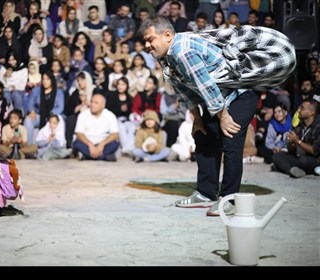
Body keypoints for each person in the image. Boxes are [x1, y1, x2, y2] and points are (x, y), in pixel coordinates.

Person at [139, 16, 296, 216]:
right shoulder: (165, 55)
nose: (147, 45)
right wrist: (197, 119)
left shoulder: (182, 50)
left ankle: (229, 199)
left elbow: (206, 85)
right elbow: (183, 91)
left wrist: (223, 117)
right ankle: (206, 193)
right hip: (220, 97)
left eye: (150, 39)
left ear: (167, 35)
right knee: (203, 135)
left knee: (230, 138)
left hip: (240, 94)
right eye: (146, 41)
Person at [272, 100, 320, 178]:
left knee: (303, 161)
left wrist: (297, 141)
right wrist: (292, 143)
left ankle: (283, 168)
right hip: (299, 157)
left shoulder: (318, 126)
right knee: (277, 156)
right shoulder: (300, 126)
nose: (299, 110)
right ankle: (291, 170)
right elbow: (291, 151)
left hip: (313, 160)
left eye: (302, 108)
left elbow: (314, 151)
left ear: (311, 112)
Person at [73, 93, 119, 161]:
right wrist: (90, 145)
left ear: (103, 105)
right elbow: (79, 134)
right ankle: (105, 157)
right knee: (76, 144)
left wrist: (102, 145)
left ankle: (86, 156)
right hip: (87, 143)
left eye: (96, 103)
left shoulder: (110, 116)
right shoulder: (83, 115)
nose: (92, 105)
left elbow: (115, 134)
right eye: (91, 102)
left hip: (103, 143)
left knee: (114, 144)